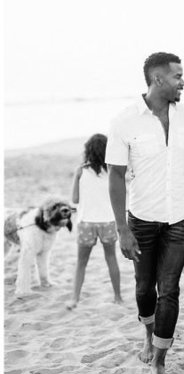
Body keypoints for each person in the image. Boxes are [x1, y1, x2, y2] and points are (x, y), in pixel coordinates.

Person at [106, 52, 184, 374]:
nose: (183, 82)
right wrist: (121, 229)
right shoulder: (124, 121)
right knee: (145, 289)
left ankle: (159, 358)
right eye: (178, 77)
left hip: (181, 219)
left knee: (169, 290)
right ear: (158, 79)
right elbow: (115, 176)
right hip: (142, 220)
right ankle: (148, 334)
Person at [67, 133, 123, 310]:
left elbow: (74, 199)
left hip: (86, 222)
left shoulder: (81, 170)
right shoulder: (113, 170)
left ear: (88, 151)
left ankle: (75, 298)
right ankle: (118, 297)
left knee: (81, 263)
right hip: (108, 221)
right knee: (111, 258)